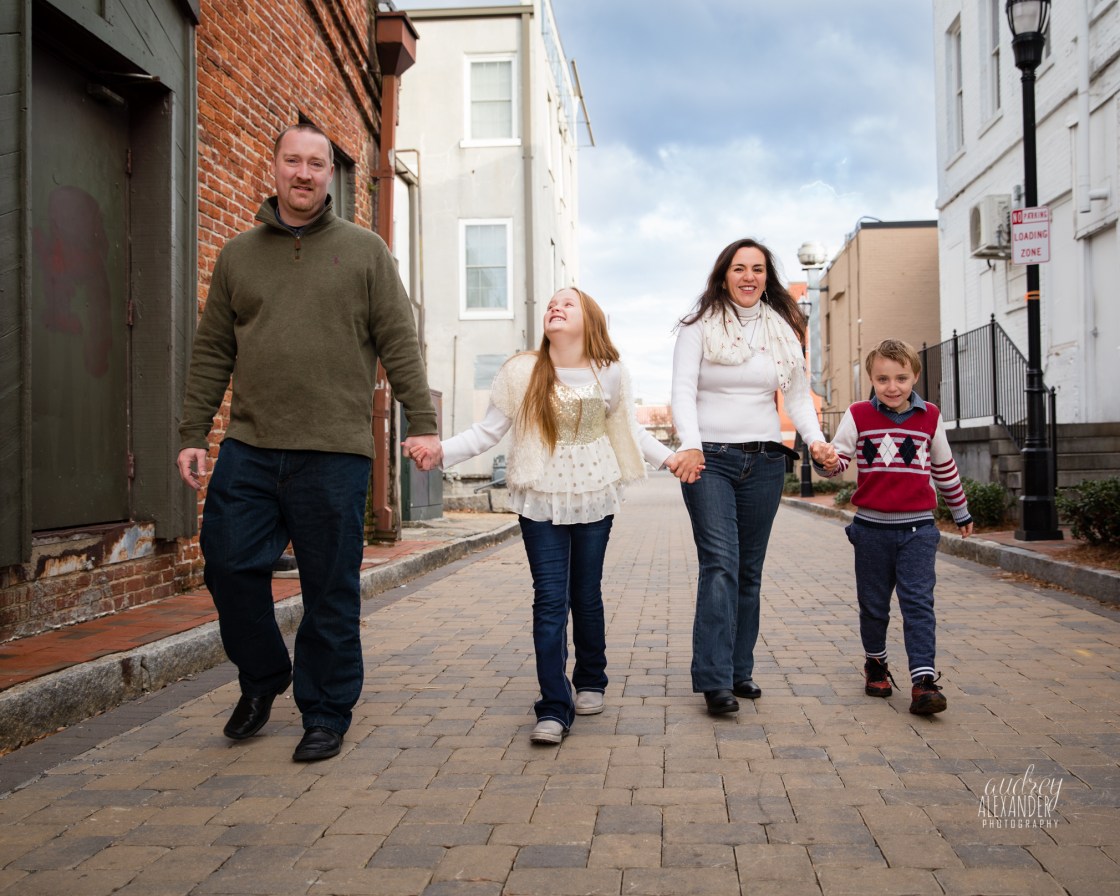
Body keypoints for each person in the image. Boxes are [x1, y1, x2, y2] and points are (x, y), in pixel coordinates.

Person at [176, 123, 440, 762]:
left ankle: (325, 711)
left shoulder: (366, 251)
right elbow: (213, 347)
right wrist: (193, 431)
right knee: (229, 564)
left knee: (329, 587)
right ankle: (266, 674)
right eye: (291, 160)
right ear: (274, 168)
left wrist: (423, 420)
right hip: (251, 444)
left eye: (315, 163)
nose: (303, 173)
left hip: (335, 451)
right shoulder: (239, 255)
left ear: (330, 174)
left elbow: (399, 340)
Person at [410, 287, 692, 744]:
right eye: (550, 304)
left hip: (594, 493)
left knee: (586, 592)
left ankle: (591, 679)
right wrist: (441, 450)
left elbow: (629, 428)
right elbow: (488, 432)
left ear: (590, 320)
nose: (555, 308)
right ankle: (553, 707)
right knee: (549, 598)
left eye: (568, 303)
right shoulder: (521, 372)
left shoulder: (611, 372)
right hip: (540, 495)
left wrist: (672, 459)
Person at [671, 238, 837, 716]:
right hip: (711, 461)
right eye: (739, 268)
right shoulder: (697, 327)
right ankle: (714, 679)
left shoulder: (783, 329)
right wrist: (690, 445)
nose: (749, 277)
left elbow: (799, 396)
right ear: (724, 275)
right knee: (720, 564)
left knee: (749, 571)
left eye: (758, 269)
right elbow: (683, 392)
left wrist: (817, 439)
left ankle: (740, 670)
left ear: (768, 277)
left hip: (765, 461)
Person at [815, 338, 973, 715]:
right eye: (883, 378)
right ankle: (876, 664)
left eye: (901, 377)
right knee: (873, 605)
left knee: (918, 603)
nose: (892, 386)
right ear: (871, 379)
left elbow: (944, 467)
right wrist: (825, 460)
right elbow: (839, 463)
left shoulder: (930, 416)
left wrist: (961, 510)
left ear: (915, 376)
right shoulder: (857, 415)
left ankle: (923, 681)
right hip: (871, 530)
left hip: (919, 529)